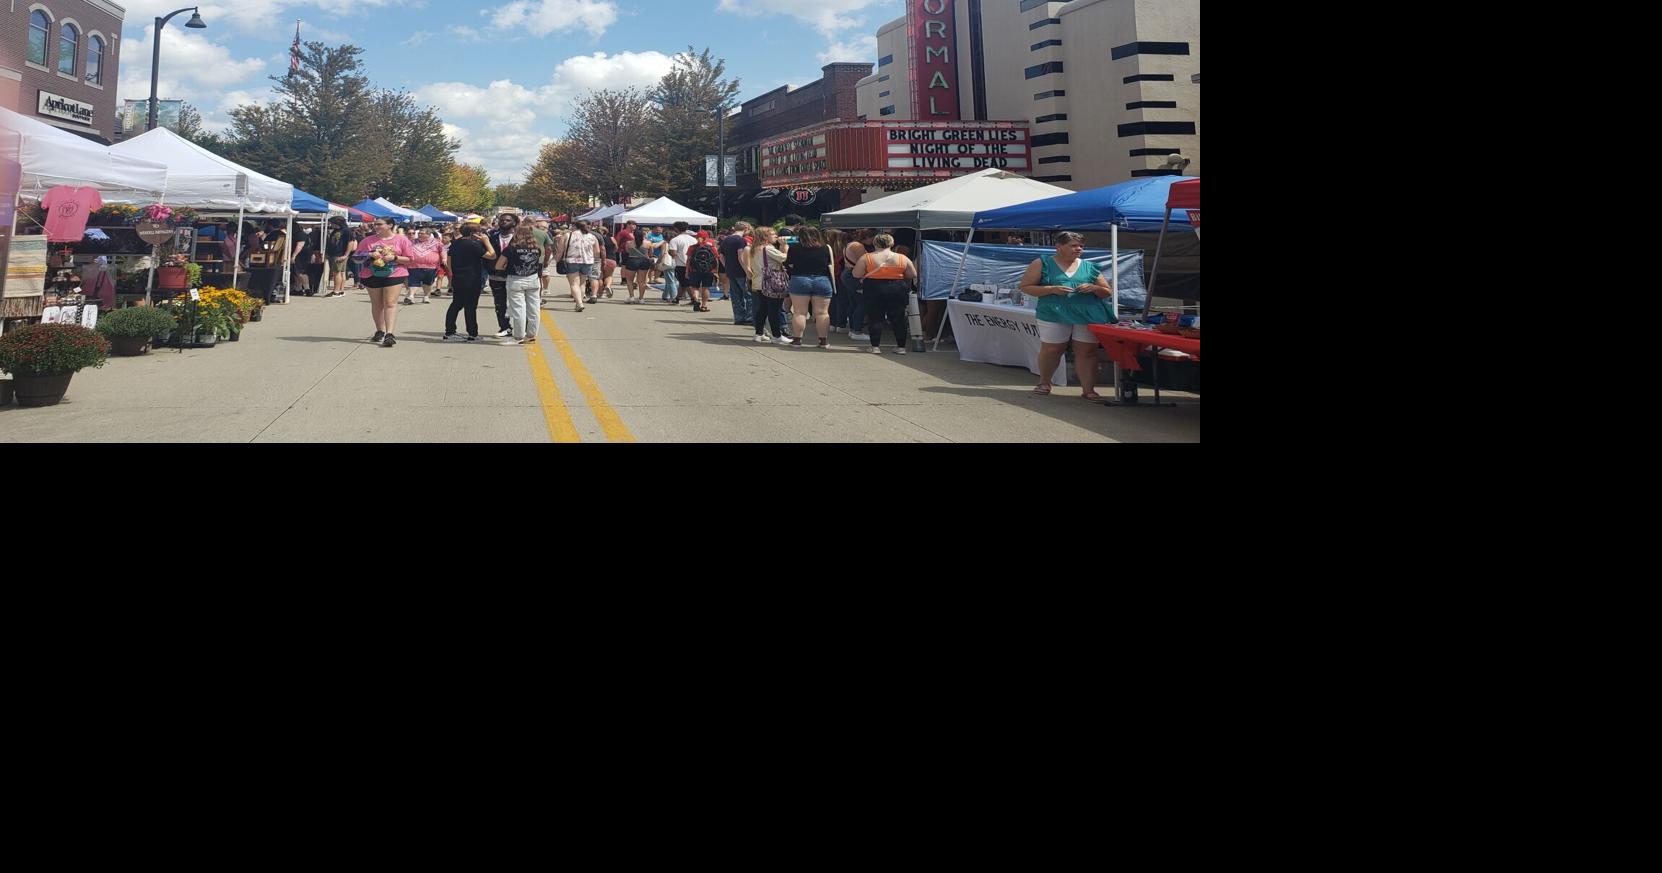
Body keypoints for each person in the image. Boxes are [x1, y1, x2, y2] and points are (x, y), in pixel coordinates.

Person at [1020, 231, 1114, 400]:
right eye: (1073, 246)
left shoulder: (1089, 266)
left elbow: (1107, 292)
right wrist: (1051, 289)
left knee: (1087, 351)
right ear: (1059, 247)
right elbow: (1026, 287)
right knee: (1052, 349)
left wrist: (1094, 288)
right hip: (1053, 312)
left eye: (1081, 246)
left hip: (1086, 313)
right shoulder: (1042, 263)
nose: (1078, 249)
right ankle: (1044, 382)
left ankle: (1088, 390)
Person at [355, 217, 416, 348]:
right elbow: (356, 257)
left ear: (390, 225)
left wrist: (394, 257)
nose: (376, 226)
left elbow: (410, 259)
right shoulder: (368, 240)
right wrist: (369, 255)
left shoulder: (402, 240)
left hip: (395, 273)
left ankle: (389, 334)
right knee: (377, 304)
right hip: (371, 274)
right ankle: (379, 330)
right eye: (375, 224)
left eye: (379, 224)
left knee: (390, 303)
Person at [853, 233, 918, 354]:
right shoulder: (902, 258)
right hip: (897, 288)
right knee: (898, 317)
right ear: (892, 244)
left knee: (875, 317)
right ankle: (901, 347)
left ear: (875, 243)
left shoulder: (867, 257)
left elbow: (856, 274)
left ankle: (875, 347)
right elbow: (913, 274)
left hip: (874, 288)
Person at [785, 227, 836, 348]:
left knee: (799, 312)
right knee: (822, 313)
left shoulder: (794, 248)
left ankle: (797, 340)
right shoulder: (826, 248)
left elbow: (788, 264)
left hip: (799, 279)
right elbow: (829, 263)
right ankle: (823, 341)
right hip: (822, 279)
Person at [443, 223, 494, 342]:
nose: (480, 234)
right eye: (478, 232)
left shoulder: (456, 243)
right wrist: (486, 241)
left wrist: (452, 274)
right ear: (472, 233)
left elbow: (449, 261)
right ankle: (472, 334)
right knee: (470, 307)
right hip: (472, 279)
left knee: (456, 304)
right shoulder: (473, 245)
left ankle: (449, 332)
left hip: (458, 278)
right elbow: (492, 255)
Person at [496, 222, 543, 345]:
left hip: (516, 279)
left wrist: (507, 266)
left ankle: (518, 336)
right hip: (533, 279)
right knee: (534, 309)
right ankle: (531, 335)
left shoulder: (511, 249)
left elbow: (499, 265)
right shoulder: (536, 248)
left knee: (518, 309)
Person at [746, 227, 791, 344]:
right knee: (774, 310)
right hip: (771, 282)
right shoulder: (768, 248)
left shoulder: (754, 248)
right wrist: (785, 247)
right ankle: (777, 335)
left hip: (759, 282)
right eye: (772, 234)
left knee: (763, 309)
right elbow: (784, 258)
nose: (775, 236)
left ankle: (759, 333)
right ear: (765, 237)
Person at [555, 220, 602, 312]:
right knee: (582, 283)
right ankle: (580, 300)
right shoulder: (592, 237)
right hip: (588, 261)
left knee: (574, 283)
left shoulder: (568, 235)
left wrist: (557, 260)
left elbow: (560, 251)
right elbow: (597, 252)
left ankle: (579, 303)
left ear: (575, 226)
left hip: (572, 260)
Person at [485, 214, 520, 337]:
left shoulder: (520, 238)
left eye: (508, 220)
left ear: (514, 223)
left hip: (515, 276)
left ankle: (521, 329)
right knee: (500, 304)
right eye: (502, 220)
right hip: (496, 276)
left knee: (517, 303)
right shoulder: (491, 237)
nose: (504, 222)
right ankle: (504, 327)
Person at [839, 229, 874, 342]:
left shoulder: (849, 245)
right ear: (867, 237)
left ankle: (853, 328)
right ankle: (856, 330)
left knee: (854, 302)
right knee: (862, 302)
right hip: (854, 275)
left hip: (848, 274)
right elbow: (866, 261)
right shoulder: (857, 246)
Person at [720, 222, 754, 326]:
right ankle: (749, 317)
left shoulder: (726, 239)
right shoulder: (741, 240)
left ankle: (738, 317)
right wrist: (747, 270)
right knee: (748, 295)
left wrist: (727, 266)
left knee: (736, 296)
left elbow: (721, 256)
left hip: (730, 271)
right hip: (741, 272)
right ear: (746, 228)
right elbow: (741, 257)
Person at [405, 227, 445, 304]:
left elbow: (442, 251)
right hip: (414, 266)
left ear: (428, 234)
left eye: (422, 233)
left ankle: (426, 296)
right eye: (419, 233)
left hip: (431, 267)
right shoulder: (412, 242)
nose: (419, 234)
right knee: (413, 282)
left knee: (428, 282)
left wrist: (444, 259)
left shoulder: (437, 242)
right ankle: (411, 296)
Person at [684, 230, 719, 312]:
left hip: (694, 270)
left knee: (694, 287)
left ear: (696, 237)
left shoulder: (692, 247)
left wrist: (686, 271)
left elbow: (688, 260)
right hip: (708, 271)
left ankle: (696, 299)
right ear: (707, 237)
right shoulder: (712, 248)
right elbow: (716, 260)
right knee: (705, 288)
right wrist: (716, 271)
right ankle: (704, 306)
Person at [667, 222, 696, 304]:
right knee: (683, 283)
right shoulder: (693, 239)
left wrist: (669, 252)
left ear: (676, 229)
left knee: (686, 283)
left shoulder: (675, 240)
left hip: (681, 264)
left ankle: (694, 299)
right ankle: (677, 298)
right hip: (692, 264)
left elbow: (673, 253)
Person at [324, 217, 351, 297]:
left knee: (337, 272)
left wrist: (346, 255)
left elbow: (351, 243)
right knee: (341, 272)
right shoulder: (336, 231)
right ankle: (341, 291)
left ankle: (336, 291)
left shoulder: (346, 230)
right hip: (334, 254)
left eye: (332, 223)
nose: (331, 224)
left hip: (339, 254)